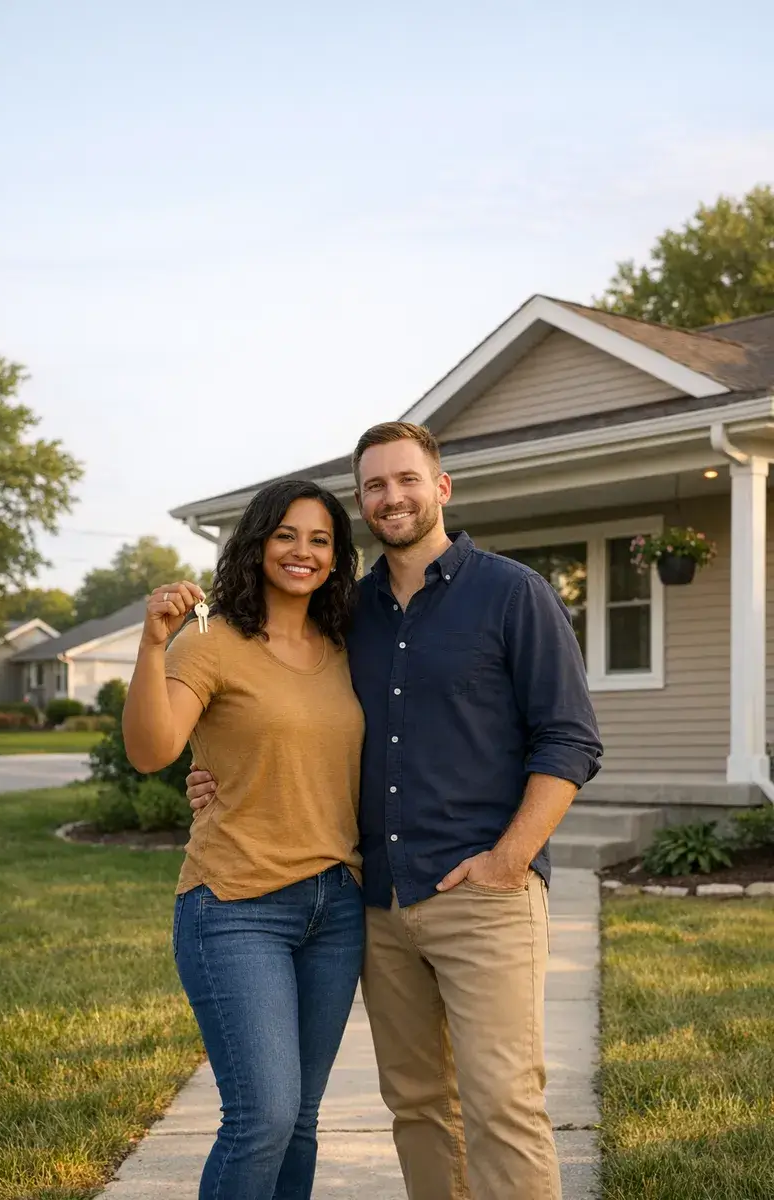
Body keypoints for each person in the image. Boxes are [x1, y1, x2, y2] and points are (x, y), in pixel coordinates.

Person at [187, 421, 604, 1200]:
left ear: (441, 487)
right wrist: (209, 771)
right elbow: (283, 712)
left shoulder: (513, 594)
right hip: (377, 901)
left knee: (502, 1104)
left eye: (407, 479)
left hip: (484, 893)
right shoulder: (349, 614)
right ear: (363, 502)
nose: (392, 496)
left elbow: (570, 740)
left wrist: (509, 859)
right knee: (416, 1107)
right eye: (375, 485)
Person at [122, 480, 365, 1200]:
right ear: (257, 543)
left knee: (302, 1120)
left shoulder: (347, 644)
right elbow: (152, 748)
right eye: (287, 534)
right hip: (235, 906)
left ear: (336, 557)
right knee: (262, 1116)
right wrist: (150, 641)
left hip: (337, 908)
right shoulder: (211, 638)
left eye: (320, 539)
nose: (303, 551)